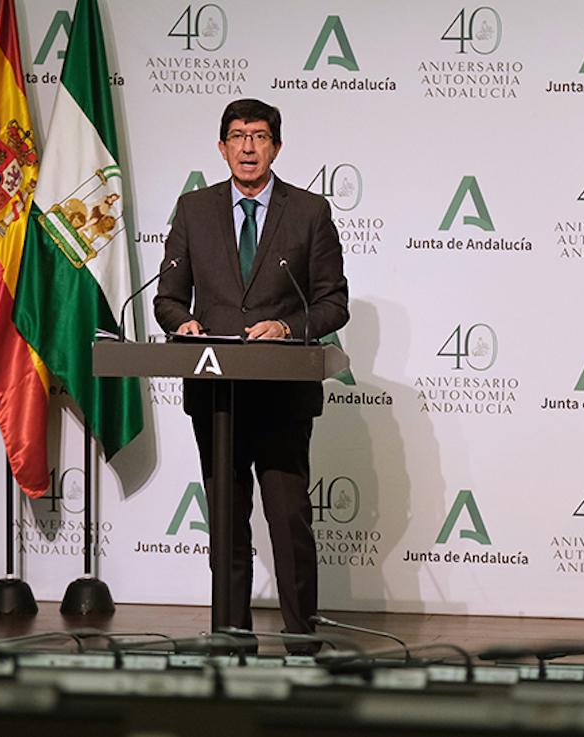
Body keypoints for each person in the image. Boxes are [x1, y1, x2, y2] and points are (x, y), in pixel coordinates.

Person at [155, 99, 349, 651]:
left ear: (276, 147)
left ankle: (301, 642)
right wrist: (185, 323)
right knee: (226, 523)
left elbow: (333, 304)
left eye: (259, 137)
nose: (247, 147)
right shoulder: (193, 210)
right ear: (221, 148)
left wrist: (287, 328)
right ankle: (231, 639)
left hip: (282, 395)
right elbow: (167, 298)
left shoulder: (309, 212)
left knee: (288, 523)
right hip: (216, 395)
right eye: (237, 137)